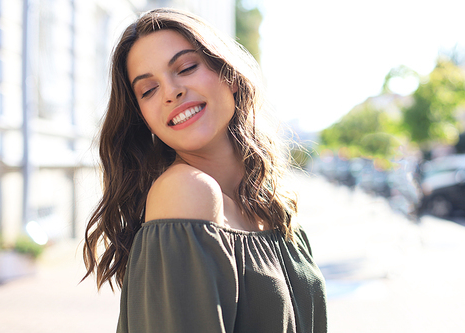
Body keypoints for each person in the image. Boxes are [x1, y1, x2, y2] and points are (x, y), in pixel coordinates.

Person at [83, 8, 327, 333]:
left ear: (231, 75)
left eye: (186, 67)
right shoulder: (185, 192)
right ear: (142, 116)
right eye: (148, 90)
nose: (171, 92)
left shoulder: (271, 203)